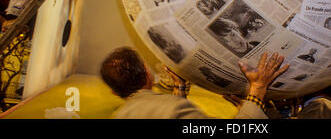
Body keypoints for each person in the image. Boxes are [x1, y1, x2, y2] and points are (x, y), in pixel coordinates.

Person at [100, 47, 289, 119]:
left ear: (115, 92)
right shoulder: (171, 109)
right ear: (147, 73)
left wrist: (179, 88)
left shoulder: (119, 116)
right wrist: (257, 89)